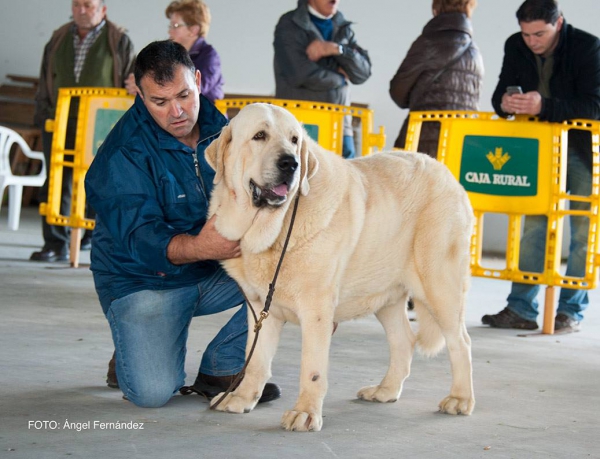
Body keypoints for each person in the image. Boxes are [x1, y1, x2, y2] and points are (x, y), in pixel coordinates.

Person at [84, 40, 281, 408]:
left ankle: (222, 365)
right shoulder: (121, 154)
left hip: (210, 267)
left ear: (199, 80)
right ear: (141, 96)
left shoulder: (221, 127)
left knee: (291, 273)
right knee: (152, 393)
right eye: (160, 102)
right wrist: (199, 247)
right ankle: (132, 342)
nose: (177, 111)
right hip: (142, 280)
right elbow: (141, 240)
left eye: (185, 95)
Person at [482, 0, 600, 332]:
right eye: (526, 34)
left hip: (581, 149)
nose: (532, 41)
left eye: (540, 34)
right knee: (532, 227)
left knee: (581, 230)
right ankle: (521, 308)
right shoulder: (514, 44)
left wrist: (544, 106)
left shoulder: (588, 46)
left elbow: (594, 104)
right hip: (536, 150)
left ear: (559, 23)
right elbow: (498, 93)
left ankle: (571, 311)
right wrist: (505, 104)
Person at [31, 0, 136, 262]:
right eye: (77, 4)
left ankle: (91, 237)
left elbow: (131, 79)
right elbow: (45, 77)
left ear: (102, 9)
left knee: (98, 180)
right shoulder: (58, 37)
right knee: (56, 181)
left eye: (88, 5)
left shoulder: (118, 39)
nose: (81, 10)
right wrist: (43, 112)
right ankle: (55, 243)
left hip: (101, 122)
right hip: (59, 120)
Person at [273, 0, 371, 159]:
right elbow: (299, 73)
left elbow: (362, 73)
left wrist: (335, 49)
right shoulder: (290, 24)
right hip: (305, 122)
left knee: (345, 179)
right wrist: (340, 78)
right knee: (307, 178)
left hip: (340, 123)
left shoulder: (342, 27)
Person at [389, 0, 483, 158]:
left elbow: (398, 92)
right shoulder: (475, 52)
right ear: (469, 7)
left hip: (424, 139)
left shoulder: (428, 42)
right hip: (462, 142)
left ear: (436, 7)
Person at [165, 0, 224, 103]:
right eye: (170, 26)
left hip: (207, 117)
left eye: (175, 26)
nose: (169, 31)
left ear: (193, 30)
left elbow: (194, 89)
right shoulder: (170, 55)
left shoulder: (209, 56)